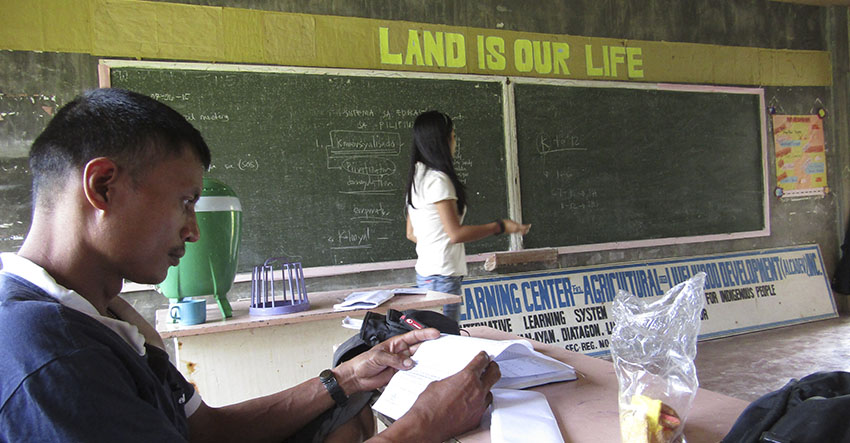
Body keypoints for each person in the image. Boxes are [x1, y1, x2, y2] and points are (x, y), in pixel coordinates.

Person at [0, 89, 501, 442]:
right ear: (103, 186)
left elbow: (206, 432)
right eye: (184, 202)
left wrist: (347, 378)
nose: (194, 231)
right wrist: (423, 426)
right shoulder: (52, 358)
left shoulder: (100, 315)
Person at [405, 111, 531, 322]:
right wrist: (500, 227)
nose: (455, 143)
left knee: (433, 340)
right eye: (453, 136)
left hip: (426, 274)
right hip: (442, 276)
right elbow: (455, 234)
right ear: (442, 141)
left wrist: (435, 245)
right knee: (447, 339)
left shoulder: (417, 176)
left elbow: (411, 233)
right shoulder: (438, 180)